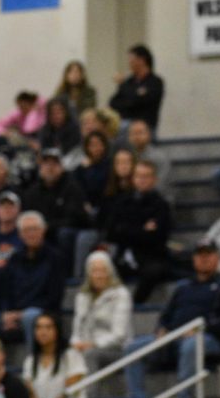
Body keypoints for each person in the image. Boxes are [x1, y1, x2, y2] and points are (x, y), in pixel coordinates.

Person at [123, 240, 220, 398]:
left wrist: (202, 329)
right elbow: (166, 315)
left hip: (208, 338)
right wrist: (162, 328)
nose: (204, 259)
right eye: (200, 255)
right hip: (174, 336)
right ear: (193, 259)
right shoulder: (183, 287)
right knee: (133, 347)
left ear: (217, 258)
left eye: (208, 255)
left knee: (191, 345)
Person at [104, 160, 174, 303]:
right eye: (138, 176)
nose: (142, 180)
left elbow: (158, 237)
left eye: (146, 176)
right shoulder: (122, 202)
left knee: (154, 271)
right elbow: (111, 232)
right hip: (124, 256)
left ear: (154, 179)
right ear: (133, 178)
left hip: (151, 257)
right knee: (102, 270)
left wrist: (127, 230)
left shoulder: (161, 205)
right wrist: (142, 229)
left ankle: (135, 305)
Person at [1, 212, 66, 353]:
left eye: (34, 229)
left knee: (31, 317)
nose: (31, 234)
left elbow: (54, 297)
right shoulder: (14, 258)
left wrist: (21, 314)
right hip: (15, 313)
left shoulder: (55, 258)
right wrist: (6, 312)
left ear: (44, 230)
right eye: (26, 230)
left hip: (43, 312)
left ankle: (33, 364)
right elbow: (5, 290)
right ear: (20, 234)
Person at [19, 148, 90, 272]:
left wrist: (48, 226)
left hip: (64, 233)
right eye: (46, 164)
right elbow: (27, 215)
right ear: (40, 167)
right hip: (40, 232)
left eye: (54, 164)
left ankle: (66, 272)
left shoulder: (72, 188)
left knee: (64, 234)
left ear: (61, 167)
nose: (50, 168)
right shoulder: (32, 192)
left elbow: (76, 218)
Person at [71, 251, 133, 374]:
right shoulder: (82, 296)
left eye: (103, 271)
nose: (99, 275)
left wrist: (93, 344)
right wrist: (76, 343)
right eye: (94, 271)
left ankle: (90, 394)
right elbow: (77, 329)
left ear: (110, 272)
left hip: (116, 350)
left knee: (90, 355)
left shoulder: (121, 294)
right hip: (86, 346)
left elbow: (119, 335)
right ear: (89, 274)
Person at [108, 44, 164, 132]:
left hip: (145, 125)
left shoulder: (155, 82)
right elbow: (113, 103)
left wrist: (128, 97)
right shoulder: (129, 82)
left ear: (142, 60)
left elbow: (139, 102)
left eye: (131, 60)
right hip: (125, 121)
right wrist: (133, 97)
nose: (129, 63)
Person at [125, 119, 172, 192]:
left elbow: (162, 183)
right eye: (133, 133)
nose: (136, 137)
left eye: (140, 133)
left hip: (157, 197)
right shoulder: (127, 156)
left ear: (148, 135)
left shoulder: (159, 157)